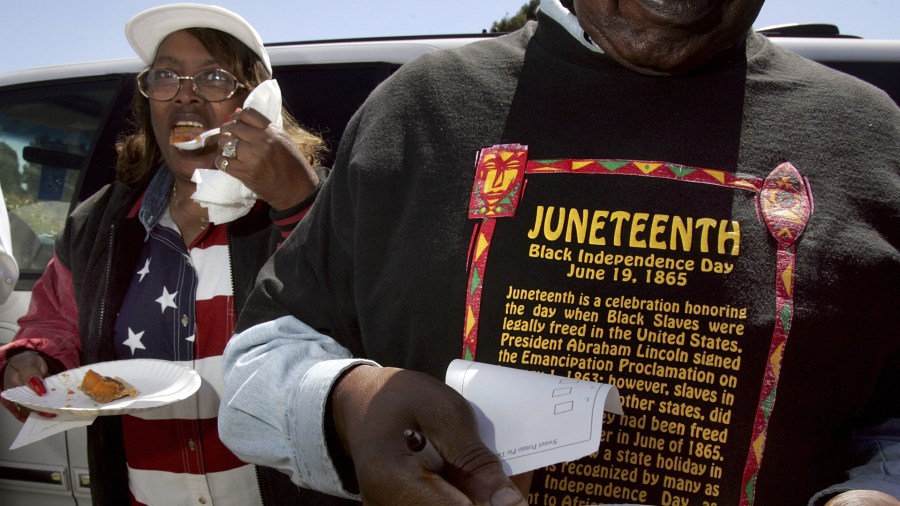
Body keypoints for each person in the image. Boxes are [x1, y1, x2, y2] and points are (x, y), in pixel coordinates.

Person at [218, 0, 900, 505]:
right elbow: (257, 367)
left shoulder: (870, 143)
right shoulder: (421, 111)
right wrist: (347, 405)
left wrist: (878, 490)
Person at [0, 4, 329, 505]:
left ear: (256, 101)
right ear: (148, 98)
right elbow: (54, 323)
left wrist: (299, 201)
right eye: (166, 76)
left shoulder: (300, 204)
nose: (186, 93)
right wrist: (32, 359)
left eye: (214, 77)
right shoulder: (101, 225)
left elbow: (354, 313)